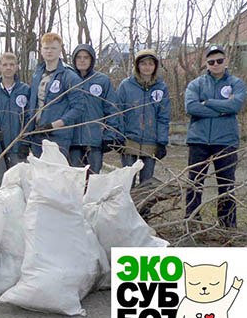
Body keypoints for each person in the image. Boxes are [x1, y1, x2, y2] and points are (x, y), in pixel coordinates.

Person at [184, 44, 245, 226]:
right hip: (199, 140)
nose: (216, 64)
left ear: (226, 61)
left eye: (219, 60)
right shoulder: (196, 84)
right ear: (206, 64)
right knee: (194, 184)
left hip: (226, 141)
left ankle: (227, 225)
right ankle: (192, 222)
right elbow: (191, 107)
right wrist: (222, 110)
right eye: (211, 62)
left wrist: (207, 102)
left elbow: (235, 106)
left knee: (226, 185)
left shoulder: (236, 83)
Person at [116, 48, 171, 192]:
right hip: (129, 139)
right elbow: (118, 112)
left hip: (151, 141)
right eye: (143, 63)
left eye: (150, 64)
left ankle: (143, 206)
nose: (147, 67)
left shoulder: (161, 87)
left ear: (155, 66)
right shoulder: (126, 85)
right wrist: (119, 136)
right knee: (127, 181)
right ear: (137, 65)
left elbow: (163, 116)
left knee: (146, 183)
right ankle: (126, 205)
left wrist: (162, 141)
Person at [28, 32, 84, 159]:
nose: (49, 51)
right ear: (41, 50)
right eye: (46, 48)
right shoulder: (37, 74)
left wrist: (53, 125)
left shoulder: (69, 76)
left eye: (53, 48)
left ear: (60, 50)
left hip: (58, 137)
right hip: (37, 134)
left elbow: (78, 108)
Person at [69, 43, 122, 173]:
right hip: (72, 140)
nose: (82, 60)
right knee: (74, 178)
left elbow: (111, 110)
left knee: (93, 178)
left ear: (92, 60)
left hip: (94, 140)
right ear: (74, 59)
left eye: (86, 57)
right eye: (79, 57)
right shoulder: (68, 79)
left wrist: (109, 135)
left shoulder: (102, 80)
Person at [0, 52, 30, 187]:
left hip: (18, 146)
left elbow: (29, 117)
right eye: (5, 64)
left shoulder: (25, 90)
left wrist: (25, 141)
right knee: (2, 183)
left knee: (18, 183)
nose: (8, 68)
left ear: (17, 67)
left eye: (12, 65)